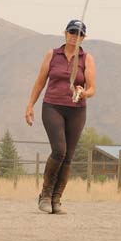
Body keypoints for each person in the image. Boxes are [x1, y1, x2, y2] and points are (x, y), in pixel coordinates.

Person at [25, 19, 96, 214]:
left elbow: (92, 89)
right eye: (72, 32)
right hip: (53, 106)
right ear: (65, 33)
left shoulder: (87, 58)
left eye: (79, 34)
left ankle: (56, 200)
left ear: (84, 37)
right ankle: (45, 196)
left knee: (68, 156)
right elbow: (40, 82)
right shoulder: (52, 54)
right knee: (59, 150)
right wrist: (30, 105)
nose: (75, 36)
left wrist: (84, 92)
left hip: (77, 110)